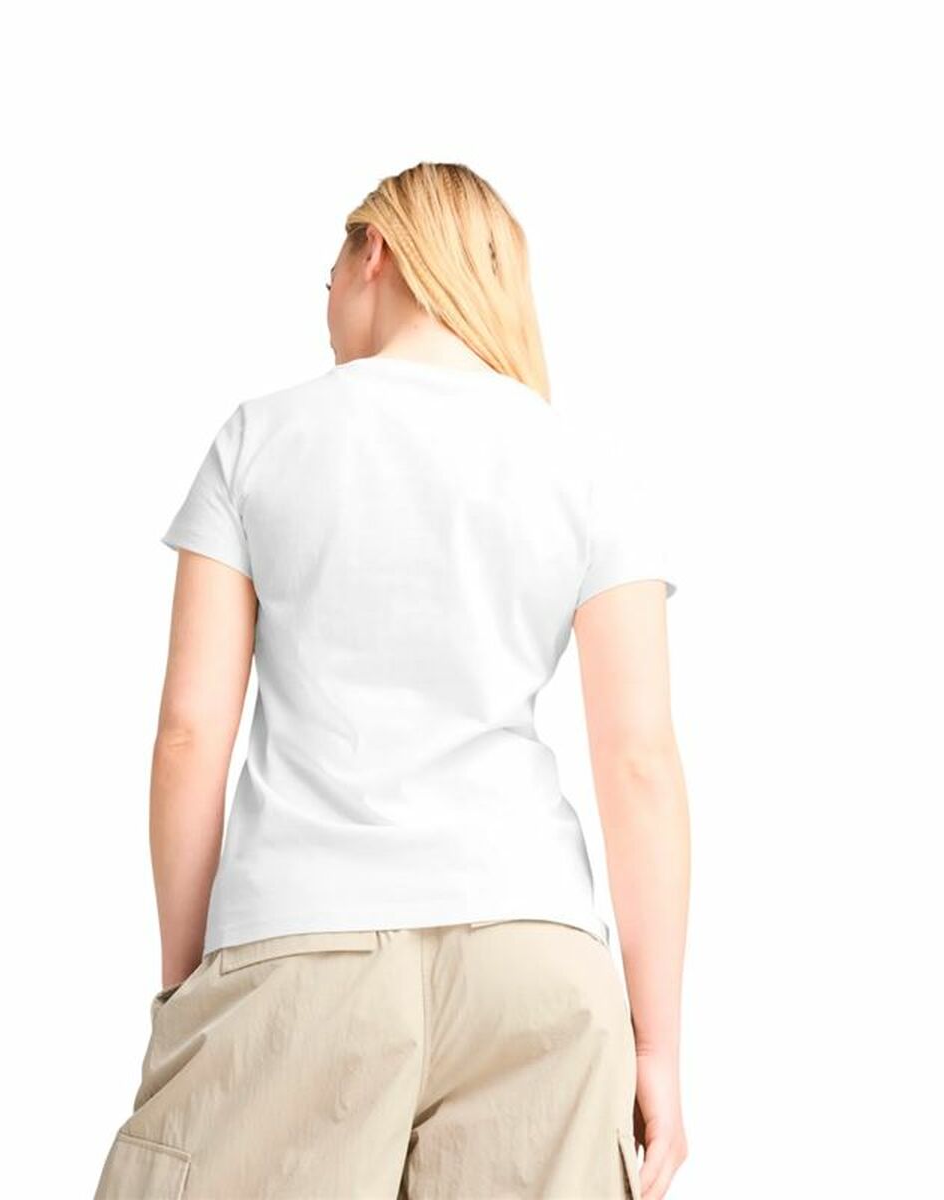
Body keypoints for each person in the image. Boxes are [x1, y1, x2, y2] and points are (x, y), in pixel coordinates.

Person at [93, 161, 690, 1200]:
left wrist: (186, 983)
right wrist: (659, 1048)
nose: (325, 300)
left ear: (374, 252)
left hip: (300, 942)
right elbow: (639, 761)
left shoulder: (259, 439)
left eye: (328, 270)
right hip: (539, 963)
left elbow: (190, 734)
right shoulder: (582, 464)